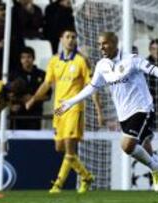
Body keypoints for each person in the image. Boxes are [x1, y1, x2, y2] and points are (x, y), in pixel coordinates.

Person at [55, 32, 158, 203]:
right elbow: (92, 87)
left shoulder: (132, 59)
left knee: (127, 145)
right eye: (99, 44)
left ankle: (156, 168)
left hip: (143, 108)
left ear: (115, 43)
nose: (101, 47)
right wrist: (70, 102)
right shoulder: (102, 65)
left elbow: (156, 70)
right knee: (143, 147)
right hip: (124, 115)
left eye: (105, 44)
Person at [25, 27, 103, 194]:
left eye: (73, 37)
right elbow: (47, 83)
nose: (71, 40)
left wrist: (98, 110)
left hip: (74, 108)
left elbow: (91, 85)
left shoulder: (81, 62)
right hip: (59, 110)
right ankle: (86, 176)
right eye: (67, 36)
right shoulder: (54, 61)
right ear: (61, 39)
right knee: (60, 148)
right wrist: (33, 99)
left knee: (69, 148)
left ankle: (57, 185)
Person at [10, 47, 50, 129]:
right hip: (18, 114)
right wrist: (13, 105)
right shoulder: (14, 75)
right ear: (20, 60)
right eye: (23, 57)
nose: (26, 60)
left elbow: (48, 96)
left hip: (35, 114)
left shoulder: (42, 74)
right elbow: (7, 94)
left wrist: (33, 98)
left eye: (29, 57)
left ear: (33, 58)